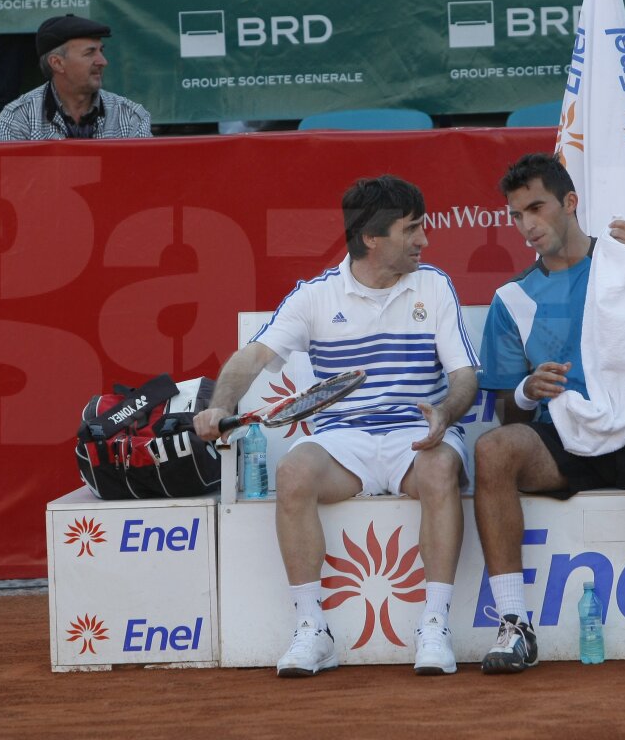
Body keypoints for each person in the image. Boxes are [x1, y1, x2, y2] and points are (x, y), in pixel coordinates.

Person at [193, 175, 479, 677]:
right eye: (411, 229)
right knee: (293, 473)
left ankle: (434, 625)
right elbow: (251, 357)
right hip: (344, 442)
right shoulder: (314, 297)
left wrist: (446, 414)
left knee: (439, 470)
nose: (424, 240)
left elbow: (463, 377)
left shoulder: (434, 286)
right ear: (371, 238)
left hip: (417, 436)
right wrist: (219, 406)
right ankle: (313, 630)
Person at [472, 153, 625, 674]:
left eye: (536, 208)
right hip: (562, 440)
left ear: (570, 202)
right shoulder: (512, 299)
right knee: (492, 450)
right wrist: (527, 391)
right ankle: (515, 625)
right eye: (517, 215)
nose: (527, 225)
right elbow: (508, 418)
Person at [0, 15, 152, 140]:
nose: (103, 61)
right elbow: (10, 173)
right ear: (57, 63)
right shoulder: (17, 118)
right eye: (90, 53)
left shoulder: (131, 115)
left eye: (101, 51)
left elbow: (146, 173)